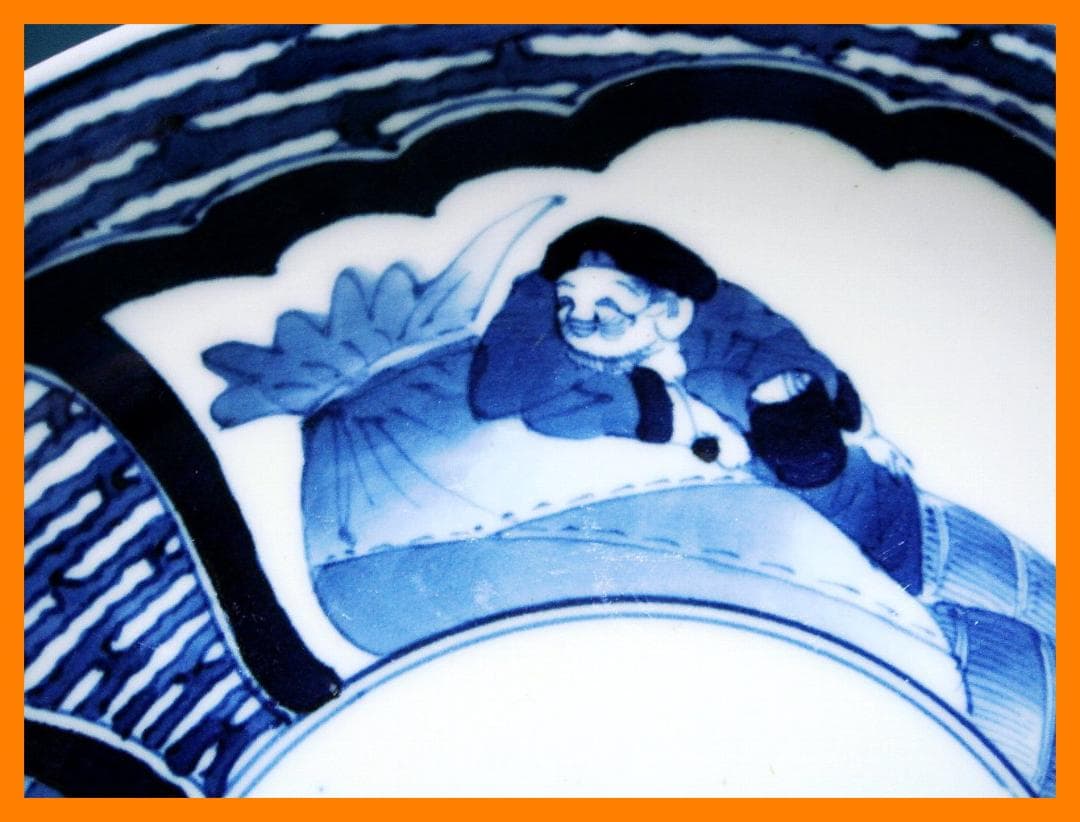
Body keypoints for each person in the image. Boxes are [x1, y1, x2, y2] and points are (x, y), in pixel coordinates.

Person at [469, 217, 923, 593]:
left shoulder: (733, 342)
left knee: (810, 458)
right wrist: (666, 413)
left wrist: (841, 424)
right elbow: (496, 392)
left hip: (791, 534)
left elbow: (795, 368)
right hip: (585, 540)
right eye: (568, 302)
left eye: (608, 310)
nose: (580, 322)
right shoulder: (547, 338)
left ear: (669, 312)